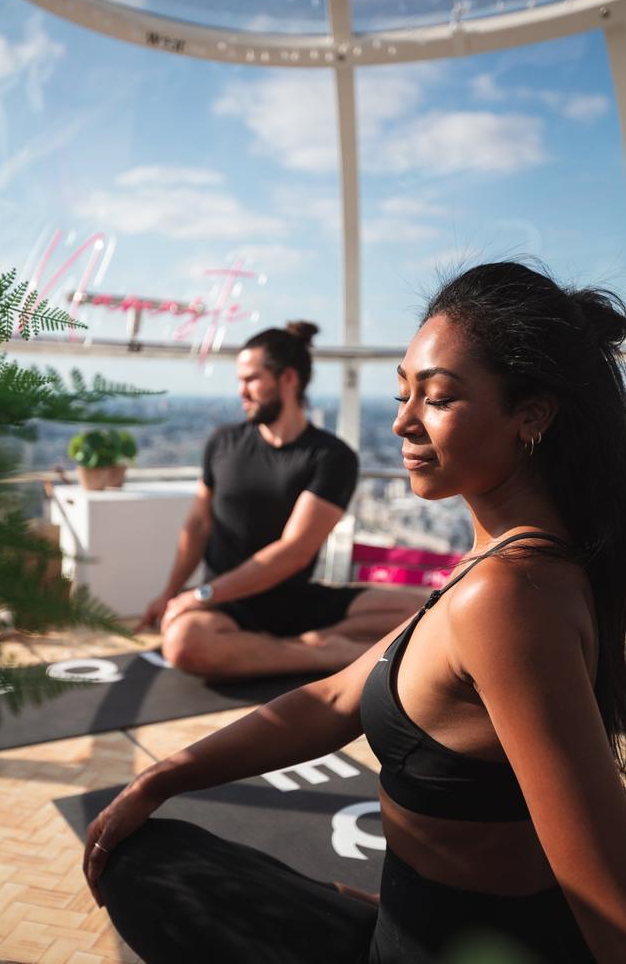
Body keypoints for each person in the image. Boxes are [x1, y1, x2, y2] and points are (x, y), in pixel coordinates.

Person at [84, 262, 626, 963]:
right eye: (403, 392)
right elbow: (338, 695)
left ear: (532, 416)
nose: (402, 421)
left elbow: (606, 896)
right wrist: (159, 779)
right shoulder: (502, 570)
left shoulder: (509, 598)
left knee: (150, 870)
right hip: (417, 924)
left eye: (437, 398)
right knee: (157, 855)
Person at [138, 320, 426, 679]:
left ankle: (293, 645)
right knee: (184, 642)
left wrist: (202, 594)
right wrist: (173, 593)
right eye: (240, 380)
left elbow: (294, 551)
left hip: (295, 602)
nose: (241, 391)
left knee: (431, 608)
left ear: (288, 378)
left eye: (252, 379)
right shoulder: (223, 443)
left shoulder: (330, 456)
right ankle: (332, 653)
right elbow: (197, 525)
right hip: (227, 605)